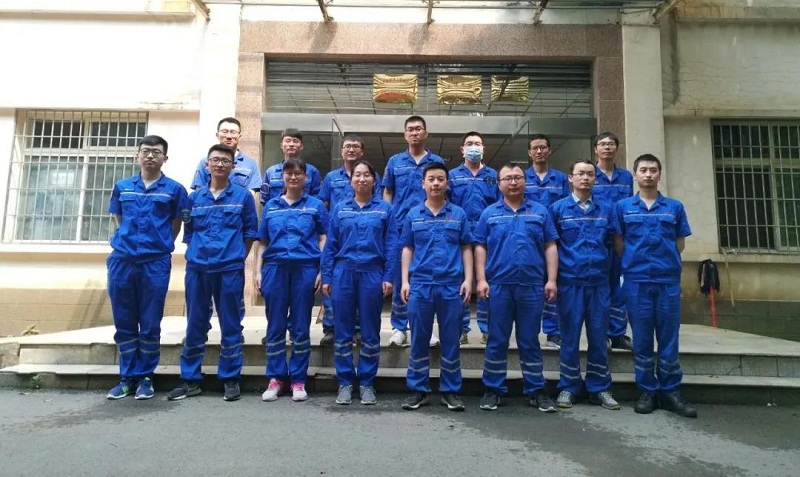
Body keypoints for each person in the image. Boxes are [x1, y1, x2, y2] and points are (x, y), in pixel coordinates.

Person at [167, 144, 258, 402]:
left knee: (231, 323)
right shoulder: (193, 198)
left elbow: (250, 233)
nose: (219, 164)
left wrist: (236, 257)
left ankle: (230, 378)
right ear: (207, 165)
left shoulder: (243, 197)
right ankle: (190, 379)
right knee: (195, 322)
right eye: (215, 160)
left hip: (229, 269)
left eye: (225, 161)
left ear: (233, 166)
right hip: (198, 269)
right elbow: (189, 233)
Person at [612, 154, 697, 418]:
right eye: (643, 170)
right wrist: (634, 263)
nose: (648, 174)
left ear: (659, 174)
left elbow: (679, 243)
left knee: (669, 338)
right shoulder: (623, 207)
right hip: (636, 282)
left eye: (653, 170)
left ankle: (671, 391)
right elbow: (619, 243)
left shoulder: (674, 207)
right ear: (635, 175)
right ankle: (647, 390)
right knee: (642, 339)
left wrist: (664, 263)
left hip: (667, 281)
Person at [106, 135, 187, 400]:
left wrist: (161, 245)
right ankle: (127, 378)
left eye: (156, 152)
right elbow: (119, 218)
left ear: (165, 158)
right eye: (146, 151)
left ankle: (145, 377)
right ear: (137, 155)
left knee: (150, 322)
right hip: (123, 261)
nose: (150, 155)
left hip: (155, 262)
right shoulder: (123, 187)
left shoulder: (174, 190)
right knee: (124, 321)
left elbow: (175, 224)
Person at [476, 163, 559, 413]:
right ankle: (493, 389)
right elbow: (480, 247)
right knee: (497, 339)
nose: (513, 182)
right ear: (499, 184)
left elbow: (550, 245)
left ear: (525, 181)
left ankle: (536, 389)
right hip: (499, 285)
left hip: (531, 286)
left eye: (517, 178)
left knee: (530, 340)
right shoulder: (489, 213)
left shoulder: (540, 212)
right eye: (507, 178)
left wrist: (551, 279)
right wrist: (481, 279)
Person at [321, 159, 396, 405]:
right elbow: (331, 245)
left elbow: (392, 245)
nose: (361, 179)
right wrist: (327, 275)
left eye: (366, 175)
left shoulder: (385, 210)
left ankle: (366, 383)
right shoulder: (340, 209)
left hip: (372, 272)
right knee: (342, 330)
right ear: (351, 180)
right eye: (357, 175)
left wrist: (389, 276)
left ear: (374, 181)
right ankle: (344, 382)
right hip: (343, 272)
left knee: (370, 331)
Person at [399, 162, 472, 412]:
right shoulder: (413, 214)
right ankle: (418, 390)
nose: (436, 183)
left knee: (451, 340)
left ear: (447, 183)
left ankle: (450, 391)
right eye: (431, 179)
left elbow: (466, 247)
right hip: (420, 284)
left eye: (440, 179)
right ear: (423, 184)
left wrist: (468, 279)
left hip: (451, 285)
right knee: (419, 339)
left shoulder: (458, 214)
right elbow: (407, 248)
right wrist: (405, 280)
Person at [550, 160, 620, 411]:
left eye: (590, 174)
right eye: (580, 173)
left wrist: (613, 281)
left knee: (599, 338)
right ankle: (569, 386)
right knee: (568, 338)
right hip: (570, 283)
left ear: (595, 179)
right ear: (570, 178)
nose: (585, 178)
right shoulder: (558, 209)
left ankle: (599, 387)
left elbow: (614, 246)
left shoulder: (607, 209)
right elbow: (552, 247)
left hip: (599, 283)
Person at [258, 159, 329, 403]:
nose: (293, 177)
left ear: (305, 177)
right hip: (275, 268)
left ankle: (298, 379)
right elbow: (262, 241)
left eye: (298, 173)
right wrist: (258, 272)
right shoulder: (271, 206)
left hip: (305, 268)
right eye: (289, 173)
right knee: (275, 325)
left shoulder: (315, 205)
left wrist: (321, 270)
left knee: (300, 325)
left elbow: (323, 238)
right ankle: (276, 378)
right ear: (283, 177)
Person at [383, 116, 445, 347]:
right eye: (410, 129)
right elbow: (388, 192)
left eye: (419, 129)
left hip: (430, 227)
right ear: (405, 135)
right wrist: (388, 218)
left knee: (427, 277)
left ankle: (426, 328)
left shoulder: (436, 161)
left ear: (426, 133)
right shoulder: (395, 161)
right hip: (401, 227)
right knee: (401, 278)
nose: (415, 133)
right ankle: (399, 328)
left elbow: (443, 192)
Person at [317, 135, 382, 346]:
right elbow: (324, 204)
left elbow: (378, 202)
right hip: (340, 233)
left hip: (365, 232)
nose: (351, 149)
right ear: (341, 151)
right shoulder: (331, 177)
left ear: (362, 151)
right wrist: (325, 232)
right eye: (347, 146)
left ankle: (359, 330)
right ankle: (330, 328)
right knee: (335, 288)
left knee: (364, 293)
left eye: (355, 146)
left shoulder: (373, 176)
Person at [447, 131, 500, 345]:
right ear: (462, 149)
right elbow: (446, 204)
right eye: (469, 143)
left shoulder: (493, 175)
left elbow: (499, 204)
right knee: (461, 282)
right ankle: (461, 330)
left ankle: (488, 329)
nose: (474, 147)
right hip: (460, 236)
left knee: (487, 282)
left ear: (484, 148)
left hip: (488, 236)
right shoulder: (452, 175)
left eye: (478, 143)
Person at [524, 133, 569, 350]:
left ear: (549, 150)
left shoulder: (561, 179)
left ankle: (553, 332)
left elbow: (567, 206)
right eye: (535, 148)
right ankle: (529, 332)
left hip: (554, 240)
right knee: (531, 287)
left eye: (543, 147)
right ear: (529, 152)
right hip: (528, 240)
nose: (539, 151)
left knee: (553, 284)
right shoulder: (521, 178)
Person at [592, 132, 634, 351]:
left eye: (611, 144)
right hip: (596, 239)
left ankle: (617, 333)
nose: (607, 147)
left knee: (619, 287)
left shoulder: (626, 177)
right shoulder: (589, 174)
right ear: (595, 149)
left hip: (620, 239)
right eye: (602, 144)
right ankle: (601, 335)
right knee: (600, 288)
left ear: (617, 148)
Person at [190, 117, 262, 197]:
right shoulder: (205, 162)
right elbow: (199, 193)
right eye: (224, 132)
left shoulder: (250, 164)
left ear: (239, 137)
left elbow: (250, 195)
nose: (229, 136)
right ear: (217, 135)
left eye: (233, 132)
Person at [260, 128, 322, 205]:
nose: (291, 144)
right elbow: (265, 200)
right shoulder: (271, 172)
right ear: (281, 145)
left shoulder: (312, 171)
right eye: (288, 141)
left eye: (295, 141)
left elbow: (318, 197)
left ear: (301, 146)